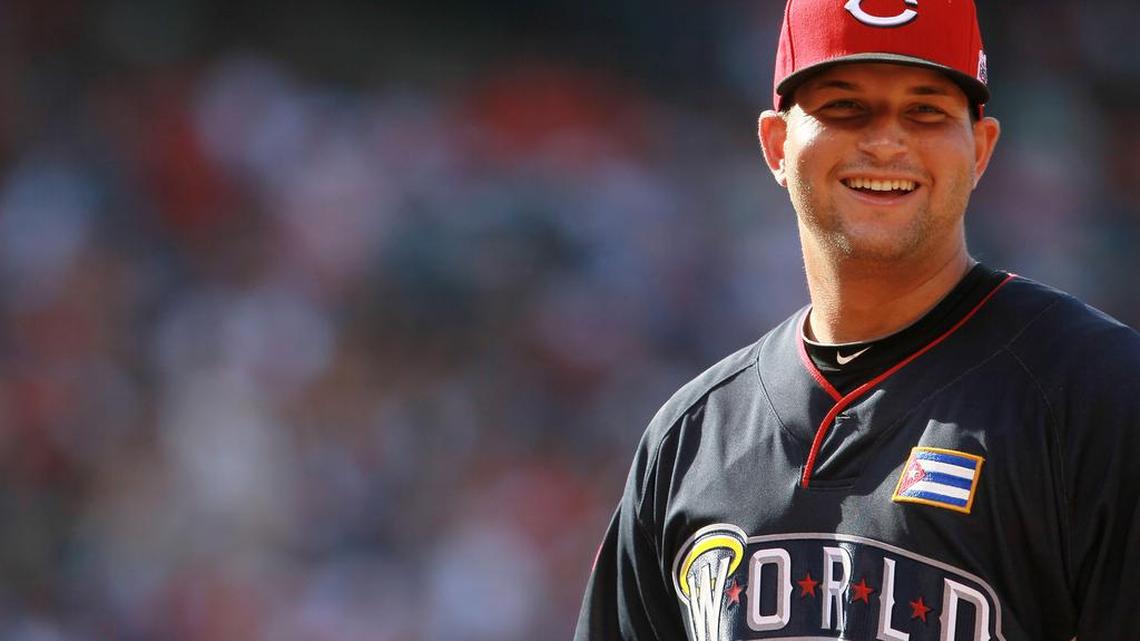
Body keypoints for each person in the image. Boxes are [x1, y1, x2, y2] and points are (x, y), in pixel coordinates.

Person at [573, 1, 1140, 639]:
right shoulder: (691, 439)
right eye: (845, 107)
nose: (887, 141)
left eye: (926, 110)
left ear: (980, 150)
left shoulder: (1101, 398)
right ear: (777, 144)